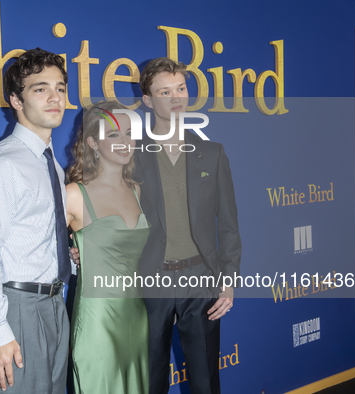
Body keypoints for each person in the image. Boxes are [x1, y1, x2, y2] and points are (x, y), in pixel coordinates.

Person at [0, 48, 72, 394]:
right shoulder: (2, 166)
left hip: (55, 306)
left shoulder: (52, 166)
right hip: (16, 312)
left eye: (60, 87)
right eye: (40, 89)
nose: (54, 97)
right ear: (15, 99)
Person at [135, 58, 242, 394]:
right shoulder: (132, 154)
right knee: (150, 381)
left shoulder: (212, 153)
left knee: (205, 381)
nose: (176, 97)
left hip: (201, 280)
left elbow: (228, 224)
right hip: (149, 283)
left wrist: (228, 279)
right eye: (164, 91)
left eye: (180, 88)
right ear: (148, 101)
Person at [66, 102, 150, 394]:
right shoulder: (74, 194)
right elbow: (39, 248)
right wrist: (73, 253)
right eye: (113, 135)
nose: (125, 142)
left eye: (129, 133)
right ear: (92, 142)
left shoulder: (136, 190)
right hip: (97, 319)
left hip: (137, 316)